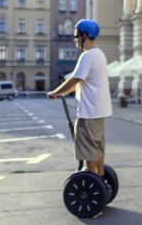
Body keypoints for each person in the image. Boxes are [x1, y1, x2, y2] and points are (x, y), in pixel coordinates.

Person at [46, 19, 112, 178]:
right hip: (99, 110)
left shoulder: (87, 56)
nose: (74, 38)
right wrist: (64, 92)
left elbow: (75, 79)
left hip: (88, 112)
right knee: (97, 147)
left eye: (76, 34)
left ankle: (90, 179)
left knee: (88, 149)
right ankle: (100, 177)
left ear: (85, 35)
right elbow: (80, 81)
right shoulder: (99, 54)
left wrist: (56, 92)